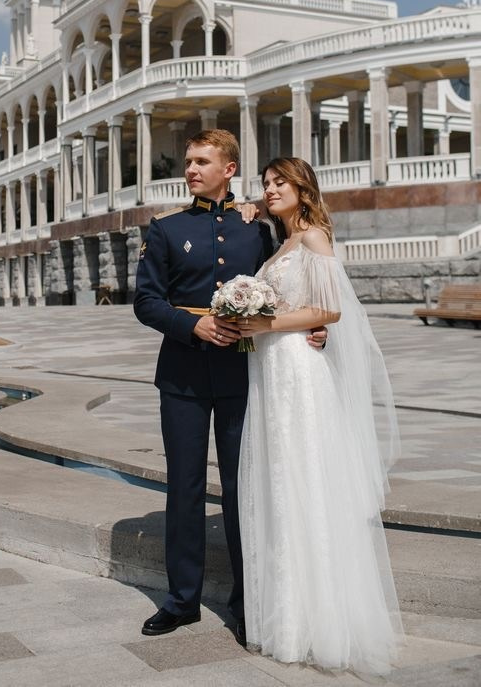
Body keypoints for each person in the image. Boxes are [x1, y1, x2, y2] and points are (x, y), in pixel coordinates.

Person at [134, 130, 326, 641]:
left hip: (246, 373)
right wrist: (190, 324)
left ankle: (249, 602)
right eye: (189, 162)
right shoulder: (167, 230)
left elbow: (288, 288)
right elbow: (146, 302)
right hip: (182, 375)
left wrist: (314, 324)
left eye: (203, 161)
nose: (191, 169)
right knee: (185, 487)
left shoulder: (256, 230)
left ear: (229, 168)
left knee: (246, 490)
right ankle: (181, 601)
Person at [233, 157, 402, 675]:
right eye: (265, 182)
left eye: (279, 181)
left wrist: (261, 322)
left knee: (305, 481)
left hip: (300, 375)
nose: (270, 188)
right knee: (280, 487)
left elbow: (329, 311)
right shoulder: (281, 240)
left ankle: (321, 622)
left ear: (302, 186)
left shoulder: (313, 238)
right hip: (271, 373)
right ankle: (287, 620)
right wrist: (251, 206)